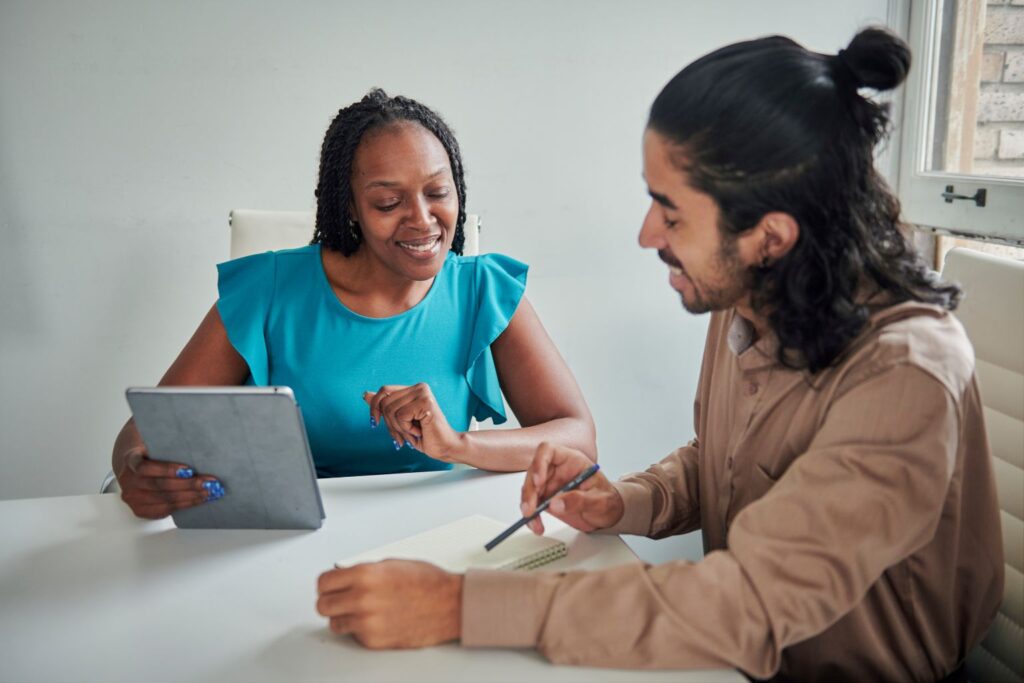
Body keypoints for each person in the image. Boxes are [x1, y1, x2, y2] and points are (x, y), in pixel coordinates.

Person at [314, 29, 1004, 683]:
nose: (648, 234)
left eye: (671, 212)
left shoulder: (906, 369)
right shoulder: (751, 290)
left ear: (770, 235)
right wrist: (623, 501)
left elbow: (748, 601)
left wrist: (457, 605)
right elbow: (727, 464)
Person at [112, 89, 596, 520]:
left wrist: (459, 446)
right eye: (388, 203)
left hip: (435, 537)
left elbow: (579, 437)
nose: (423, 220)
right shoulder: (268, 289)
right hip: (291, 539)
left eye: (438, 193)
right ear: (350, 208)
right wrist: (137, 469)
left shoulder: (483, 289)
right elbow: (144, 431)